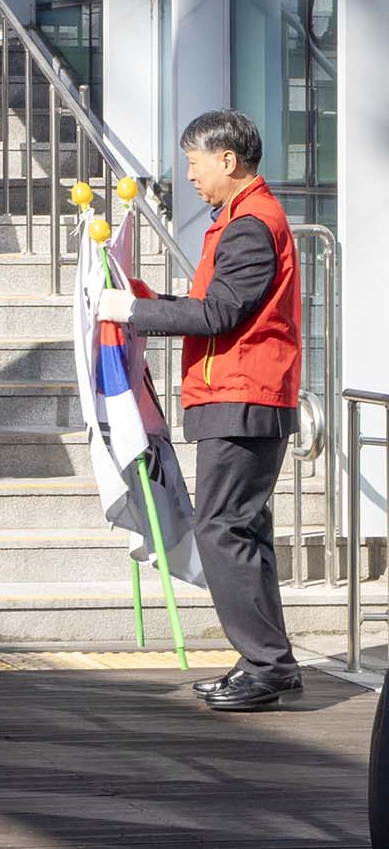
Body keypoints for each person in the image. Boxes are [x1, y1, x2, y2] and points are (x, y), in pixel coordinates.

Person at [98, 110, 304, 713]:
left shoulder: (249, 225)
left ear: (227, 160)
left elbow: (218, 314)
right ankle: (267, 662)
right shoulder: (241, 220)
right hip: (240, 393)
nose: (188, 175)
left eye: (194, 162)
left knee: (222, 528)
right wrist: (144, 302)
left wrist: (133, 312)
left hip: (244, 395)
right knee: (240, 529)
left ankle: (267, 666)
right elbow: (213, 307)